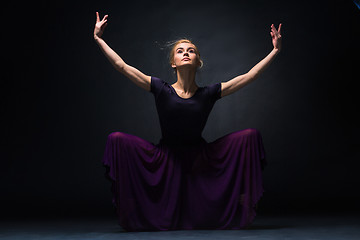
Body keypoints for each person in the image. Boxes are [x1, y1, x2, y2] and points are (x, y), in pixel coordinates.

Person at [94, 12, 282, 232]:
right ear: (173, 63)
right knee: (116, 140)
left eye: (191, 51)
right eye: (180, 51)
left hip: (200, 159)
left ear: (197, 61)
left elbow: (250, 75)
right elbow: (122, 67)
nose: (185, 53)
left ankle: (236, 199)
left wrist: (275, 50)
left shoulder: (209, 93)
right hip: (165, 157)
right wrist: (99, 39)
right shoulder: (160, 89)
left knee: (250, 136)